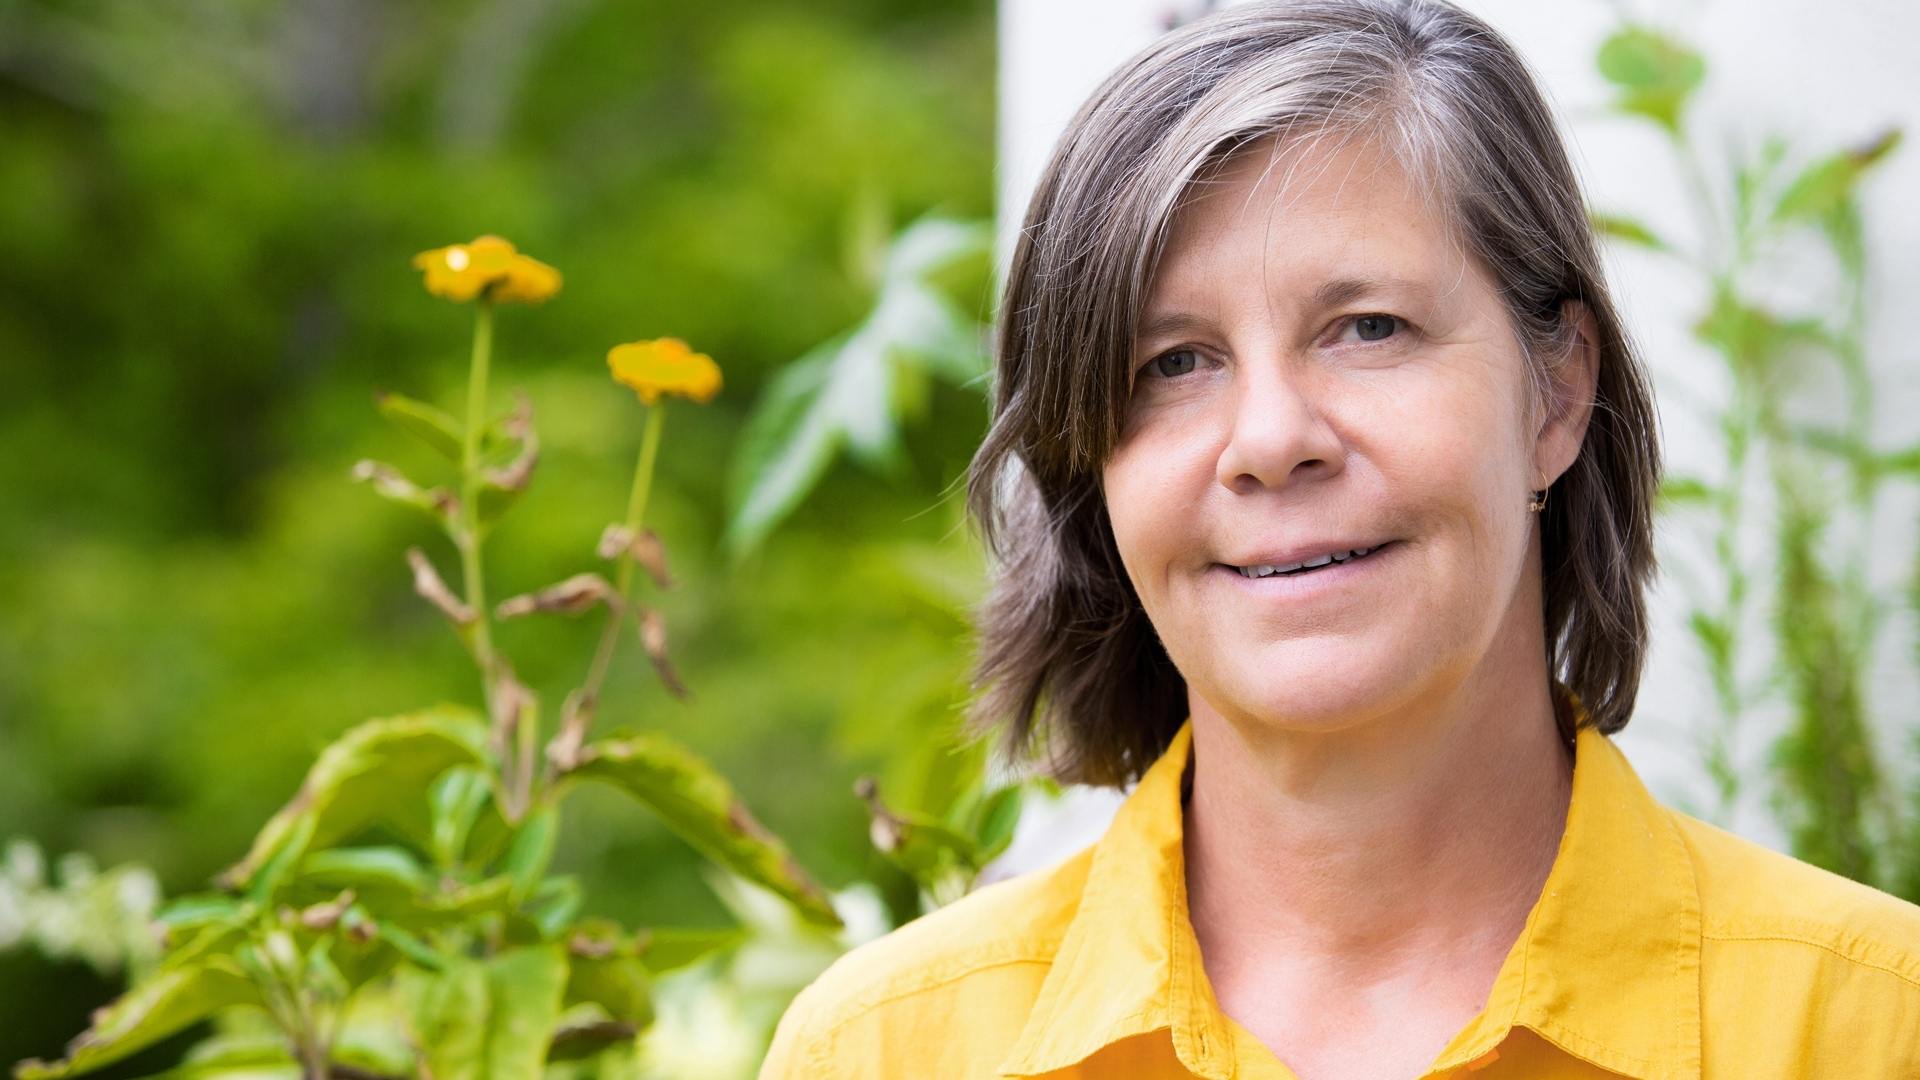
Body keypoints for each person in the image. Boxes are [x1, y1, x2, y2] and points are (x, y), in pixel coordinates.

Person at [760, 1, 1920, 1076]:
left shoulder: (1870, 1023)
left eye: (1369, 327)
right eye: (1173, 363)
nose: (1269, 438)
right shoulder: (888, 1049)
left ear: (1557, 393)